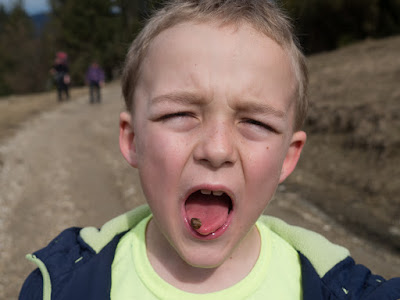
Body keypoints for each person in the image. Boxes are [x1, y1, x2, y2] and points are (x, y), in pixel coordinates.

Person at [19, 1, 400, 299]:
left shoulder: (338, 288)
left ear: (287, 156)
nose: (217, 149)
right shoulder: (61, 287)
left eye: (256, 122)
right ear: (132, 140)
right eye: (181, 113)